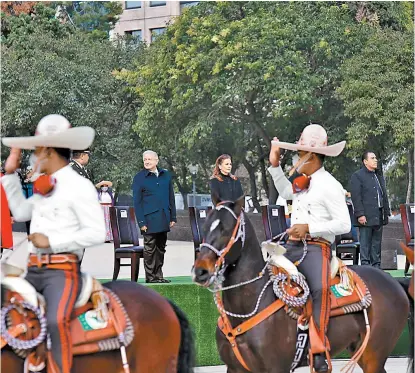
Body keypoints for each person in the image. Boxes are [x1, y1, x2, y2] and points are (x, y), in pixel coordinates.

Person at [1, 114, 106, 373]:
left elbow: (97, 232)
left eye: (36, 151)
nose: (33, 157)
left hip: (62, 272)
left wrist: (52, 241)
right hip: (32, 268)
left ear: (48, 152)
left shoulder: (80, 187)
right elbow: (23, 212)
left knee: (56, 320)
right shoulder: (46, 185)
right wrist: (10, 175)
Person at [268, 123, 350, 373]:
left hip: (316, 248)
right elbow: (284, 191)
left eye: (298, 154)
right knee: (263, 275)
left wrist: (309, 227)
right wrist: (274, 166)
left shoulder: (330, 185)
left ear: (311, 156)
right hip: (292, 245)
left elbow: (345, 223)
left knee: (319, 288)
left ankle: (318, 349)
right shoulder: (303, 181)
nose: (294, 159)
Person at [132, 150, 176, 283]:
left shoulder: (166, 175)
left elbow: (171, 197)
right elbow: (137, 202)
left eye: (149, 159)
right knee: (150, 248)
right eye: (145, 159)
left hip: (164, 217)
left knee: (161, 248)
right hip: (149, 219)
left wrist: (173, 217)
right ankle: (151, 277)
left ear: (156, 161)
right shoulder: (139, 178)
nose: (146, 161)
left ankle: (159, 276)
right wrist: (141, 222)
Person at [349, 151, 390, 268]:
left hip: (379, 215)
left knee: (376, 245)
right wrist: (360, 214)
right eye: (372, 158)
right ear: (365, 161)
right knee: (365, 245)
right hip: (365, 217)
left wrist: (386, 212)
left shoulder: (378, 176)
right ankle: (366, 271)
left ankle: (377, 270)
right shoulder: (358, 176)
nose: (376, 160)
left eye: (376, 158)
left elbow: (383, 195)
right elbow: (356, 197)